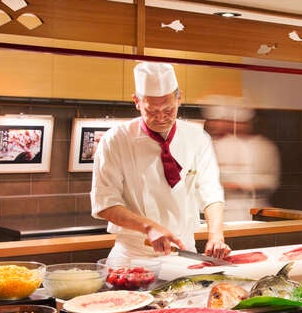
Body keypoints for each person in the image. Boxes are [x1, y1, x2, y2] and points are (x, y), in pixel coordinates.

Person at [90, 61, 230, 260]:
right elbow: (104, 204)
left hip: (184, 252)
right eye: (152, 112)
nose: (161, 118)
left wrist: (216, 235)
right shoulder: (115, 140)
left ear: (179, 99)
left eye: (168, 110)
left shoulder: (197, 137)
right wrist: (149, 228)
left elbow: (211, 192)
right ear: (137, 102)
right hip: (133, 255)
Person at [203, 97, 280, 221]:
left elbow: (271, 181)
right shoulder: (215, 144)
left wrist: (240, 185)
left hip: (258, 209)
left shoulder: (264, 146)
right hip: (223, 209)